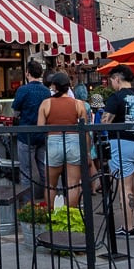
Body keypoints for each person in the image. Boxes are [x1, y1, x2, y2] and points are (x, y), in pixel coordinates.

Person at [104, 64, 134, 236]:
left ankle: (127, 226)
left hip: (121, 142)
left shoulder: (116, 98)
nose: (111, 83)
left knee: (124, 187)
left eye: (111, 80)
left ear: (117, 78)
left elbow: (105, 122)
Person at [38, 71, 92, 208]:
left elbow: (40, 127)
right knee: (73, 183)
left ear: (54, 86)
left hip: (53, 140)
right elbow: (85, 131)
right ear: (69, 86)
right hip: (74, 140)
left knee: (50, 184)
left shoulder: (46, 103)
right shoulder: (78, 104)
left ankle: (51, 216)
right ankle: (72, 217)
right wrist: (87, 152)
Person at [11, 59, 51, 201]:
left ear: (27, 73)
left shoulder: (23, 90)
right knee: (44, 169)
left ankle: (28, 205)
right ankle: (50, 200)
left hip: (26, 134)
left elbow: (15, 111)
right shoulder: (46, 91)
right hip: (42, 133)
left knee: (26, 172)